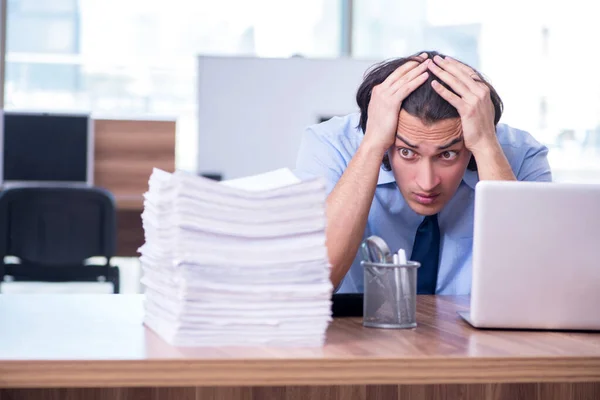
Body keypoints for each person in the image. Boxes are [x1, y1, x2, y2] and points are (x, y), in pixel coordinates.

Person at [294, 50, 552, 295]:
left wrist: (485, 145)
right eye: (407, 152)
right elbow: (315, 281)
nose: (427, 183)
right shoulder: (329, 145)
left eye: (448, 154)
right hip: (355, 337)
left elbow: (536, 287)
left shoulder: (520, 155)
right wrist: (373, 145)